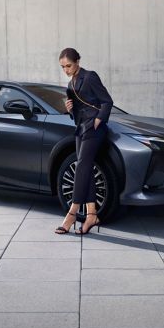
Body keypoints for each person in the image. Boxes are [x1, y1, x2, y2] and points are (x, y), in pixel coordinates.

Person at [54, 48, 113, 235]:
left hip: (94, 129)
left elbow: (107, 101)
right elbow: (78, 113)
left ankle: (72, 213)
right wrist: (70, 109)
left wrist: (98, 120)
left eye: (68, 66)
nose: (66, 70)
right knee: (85, 170)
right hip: (81, 129)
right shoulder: (70, 85)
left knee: (81, 167)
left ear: (78, 61)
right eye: (63, 67)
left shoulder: (90, 77)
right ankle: (91, 215)